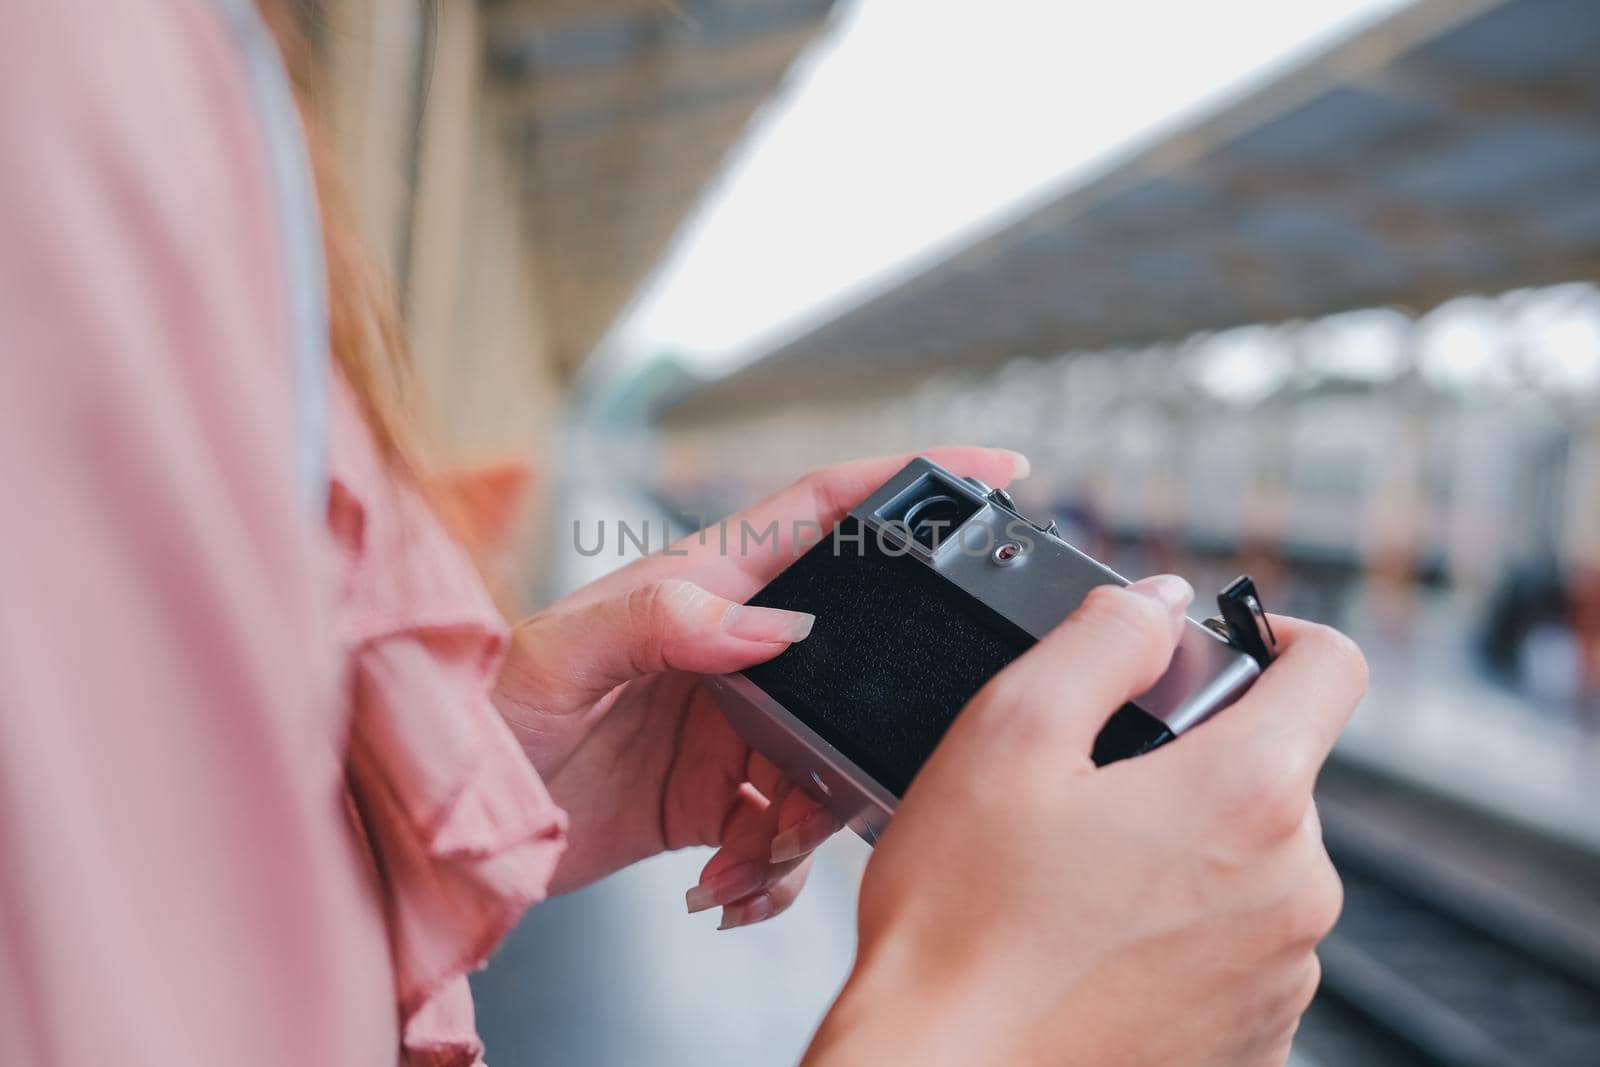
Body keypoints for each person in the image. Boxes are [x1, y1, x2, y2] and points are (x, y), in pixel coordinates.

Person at [0, 2, 1367, 1065]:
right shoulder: (81, 79)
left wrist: (453, 799)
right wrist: (998, 1029)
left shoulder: (157, 70)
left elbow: (133, 924)